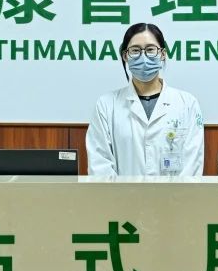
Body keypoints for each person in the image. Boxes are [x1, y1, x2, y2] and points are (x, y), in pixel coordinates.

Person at [86, 22, 204, 176]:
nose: (143, 57)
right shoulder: (107, 105)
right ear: (125, 56)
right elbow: (99, 164)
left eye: (150, 49)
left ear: (162, 54)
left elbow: (192, 165)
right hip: (122, 192)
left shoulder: (187, 104)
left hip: (175, 192)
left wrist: (175, 193)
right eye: (135, 50)